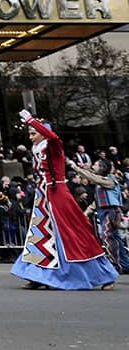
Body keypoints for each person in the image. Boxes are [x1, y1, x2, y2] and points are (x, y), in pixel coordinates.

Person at [12, 110, 118, 290]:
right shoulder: (37, 149)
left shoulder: (53, 146)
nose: (30, 137)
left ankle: (104, 274)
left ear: (43, 131)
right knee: (40, 235)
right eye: (29, 133)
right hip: (43, 195)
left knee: (73, 232)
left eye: (33, 133)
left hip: (57, 193)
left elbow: (53, 137)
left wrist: (32, 120)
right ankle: (38, 274)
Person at [67, 159, 129, 273]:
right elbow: (97, 201)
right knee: (115, 238)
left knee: (108, 237)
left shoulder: (110, 180)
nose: (93, 165)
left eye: (95, 164)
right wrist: (86, 213)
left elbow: (92, 177)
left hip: (110, 211)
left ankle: (115, 265)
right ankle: (125, 265)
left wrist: (75, 167)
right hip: (104, 211)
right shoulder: (100, 183)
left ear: (103, 167)